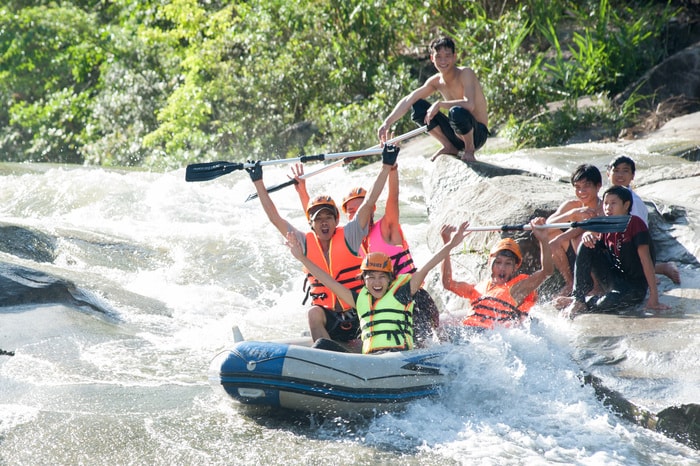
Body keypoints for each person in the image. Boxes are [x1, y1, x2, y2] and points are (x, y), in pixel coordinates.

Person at [247, 144, 400, 343]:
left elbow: (368, 202)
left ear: (337, 220)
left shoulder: (349, 235)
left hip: (359, 313)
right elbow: (275, 218)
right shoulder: (302, 242)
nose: (324, 222)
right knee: (313, 313)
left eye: (329, 217)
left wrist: (386, 166)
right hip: (330, 318)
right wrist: (258, 181)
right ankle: (326, 352)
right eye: (319, 219)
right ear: (310, 223)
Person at [289, 163, 440, 346]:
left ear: (370, 209)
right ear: (345, 216)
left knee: (421, 341)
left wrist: (392, 170)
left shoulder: (386, 229)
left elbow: (393, 199)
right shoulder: (349, 243)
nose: (356, 214)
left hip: (408, 297)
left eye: (359, 209)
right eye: (351, 211)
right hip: (380, 302)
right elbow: (316, 227)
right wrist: (302, 191)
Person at [285, 222, 471, 354]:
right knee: (322, 347)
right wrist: (301, 258)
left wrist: (451, 244)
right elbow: (328, 281)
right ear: (363, 280)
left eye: (382, 277)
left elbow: (428, 266)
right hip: (372, 361)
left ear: (390, 279)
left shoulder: (402, 292)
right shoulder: (360, 299)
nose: (377, 282)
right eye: (371, 277)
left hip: (399, 358)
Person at [556, 186, 671, 318]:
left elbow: (646, 261)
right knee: (586, 244)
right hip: (613, 279)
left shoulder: (635, 224)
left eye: (613, 203)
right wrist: (588, 235)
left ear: (626, 205)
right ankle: (578, 299)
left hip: (634, 288)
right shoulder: (606, 224)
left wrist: (654, 298)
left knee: (607, 303)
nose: (608, 207)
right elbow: (594, 249)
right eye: (605, 203)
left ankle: (585, 302)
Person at [377, 36, 489, 162]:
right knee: (418, 106)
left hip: (477, 134)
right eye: (438, 56)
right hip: (456, 133)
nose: (443, 60)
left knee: (456, 111)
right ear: (432, 58)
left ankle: (469, 150)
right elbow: (409, 99)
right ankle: (449, 146)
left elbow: (469, 105)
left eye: (447, 56)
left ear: (454, 56)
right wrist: (386, 123)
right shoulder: (436, 81)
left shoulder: (465, 73)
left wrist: (440, 104)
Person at [438, 218, 554, 329]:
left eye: (508, 264)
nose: (502, 268)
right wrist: (447, 244)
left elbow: (547, 271)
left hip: (488, 335)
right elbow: (448, 283)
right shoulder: (477, 288)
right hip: (469, 332)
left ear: (516, 267)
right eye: (498, 262)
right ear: (490, 262)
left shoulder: (518, 288)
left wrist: (543, 240)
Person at [607, 155, 681, 284]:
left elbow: (639, 236)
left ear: (633, 176)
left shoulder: (633, 202)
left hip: (632, 248)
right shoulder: (608, 197)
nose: (620, 175)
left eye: (625, 171)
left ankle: (656, 269)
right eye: (616, 170)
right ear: (608, 174)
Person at [547, 164, 604, 296]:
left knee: (581, 237)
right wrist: (570, 214)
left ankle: (597, 286)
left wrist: (562, 238)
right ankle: (570, 283)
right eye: (577, 187)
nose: (581, 192)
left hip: (598, 254)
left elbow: (586, 228)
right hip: (574, 255)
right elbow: (546, 227)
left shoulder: (604, 207)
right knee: (551, 235)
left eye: (586, 186)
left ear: (598, 186)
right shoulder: (572, 205)